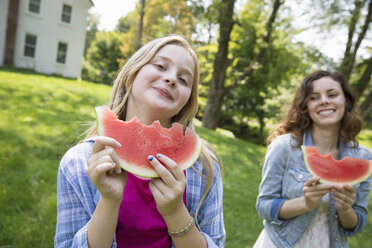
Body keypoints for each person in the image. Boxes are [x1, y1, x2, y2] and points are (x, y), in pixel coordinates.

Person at [54, 35, 225, 248]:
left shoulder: (204, 169)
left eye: (183, 80)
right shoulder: (78, 163)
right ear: (131, 74)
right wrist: (109, 201)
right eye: (161, 66)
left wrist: (176, 213)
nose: (171, 78)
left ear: (187, 101)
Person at [254, 70, 372, 248]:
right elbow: (264, 206)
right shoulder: (284, 146)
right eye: (314, 97)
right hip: (281, 243)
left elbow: (357, 224)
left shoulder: (364, 158)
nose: (324, 100)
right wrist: (305, 203)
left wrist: (345, 209)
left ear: (346, 101)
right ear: (305, 106)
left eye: (332, 94)